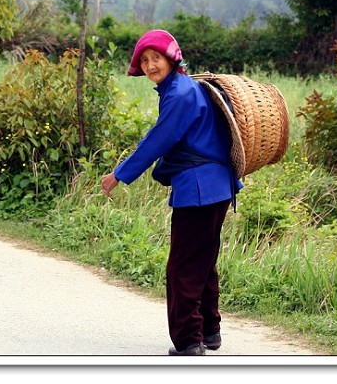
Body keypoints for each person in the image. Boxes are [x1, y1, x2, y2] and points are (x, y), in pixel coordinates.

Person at [101, 29, 242, 356]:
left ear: (171, 58)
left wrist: (119, 175)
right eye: (145, 60)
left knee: (182, 266)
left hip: (198, 189)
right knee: (203, 260)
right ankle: (210, 330)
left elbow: (157, 141)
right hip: (216, 186)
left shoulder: (179, 94)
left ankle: (189, 340)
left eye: (156, 58)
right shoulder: (183, 88)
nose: (150, 65)